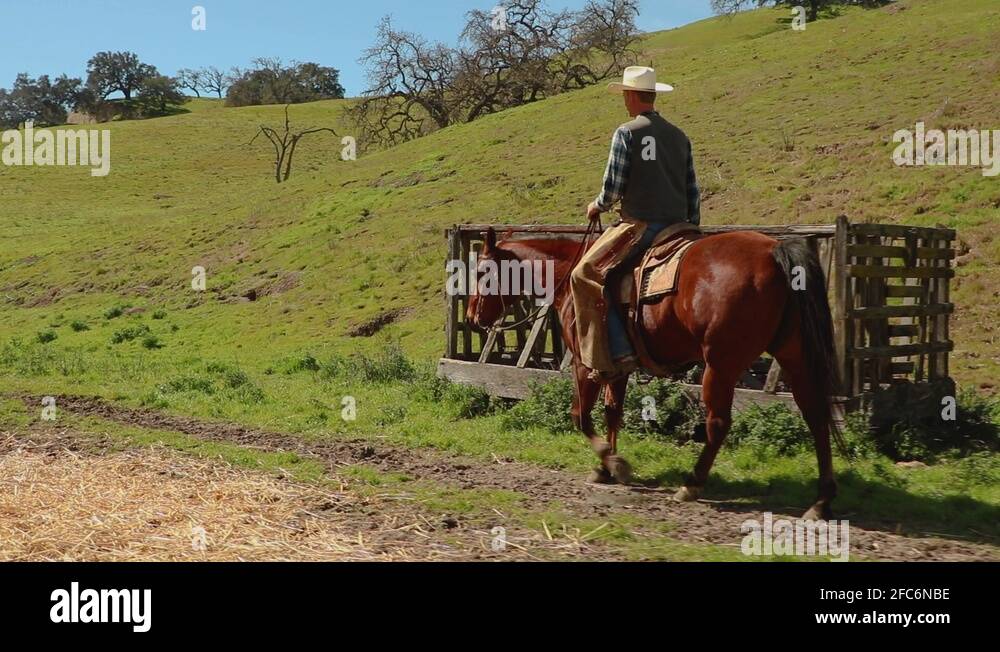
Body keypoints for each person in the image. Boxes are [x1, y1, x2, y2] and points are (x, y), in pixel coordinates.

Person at [570, 66, 701, 383]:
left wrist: (596, 206)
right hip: (680, 227)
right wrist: (693, 228)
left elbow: (613, 188)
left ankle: (613, 354)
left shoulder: (626, 132)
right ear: (653, 96)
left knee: (583, 274)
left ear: (629, 96)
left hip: (641, 225)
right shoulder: (679, 136)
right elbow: (693, 191)